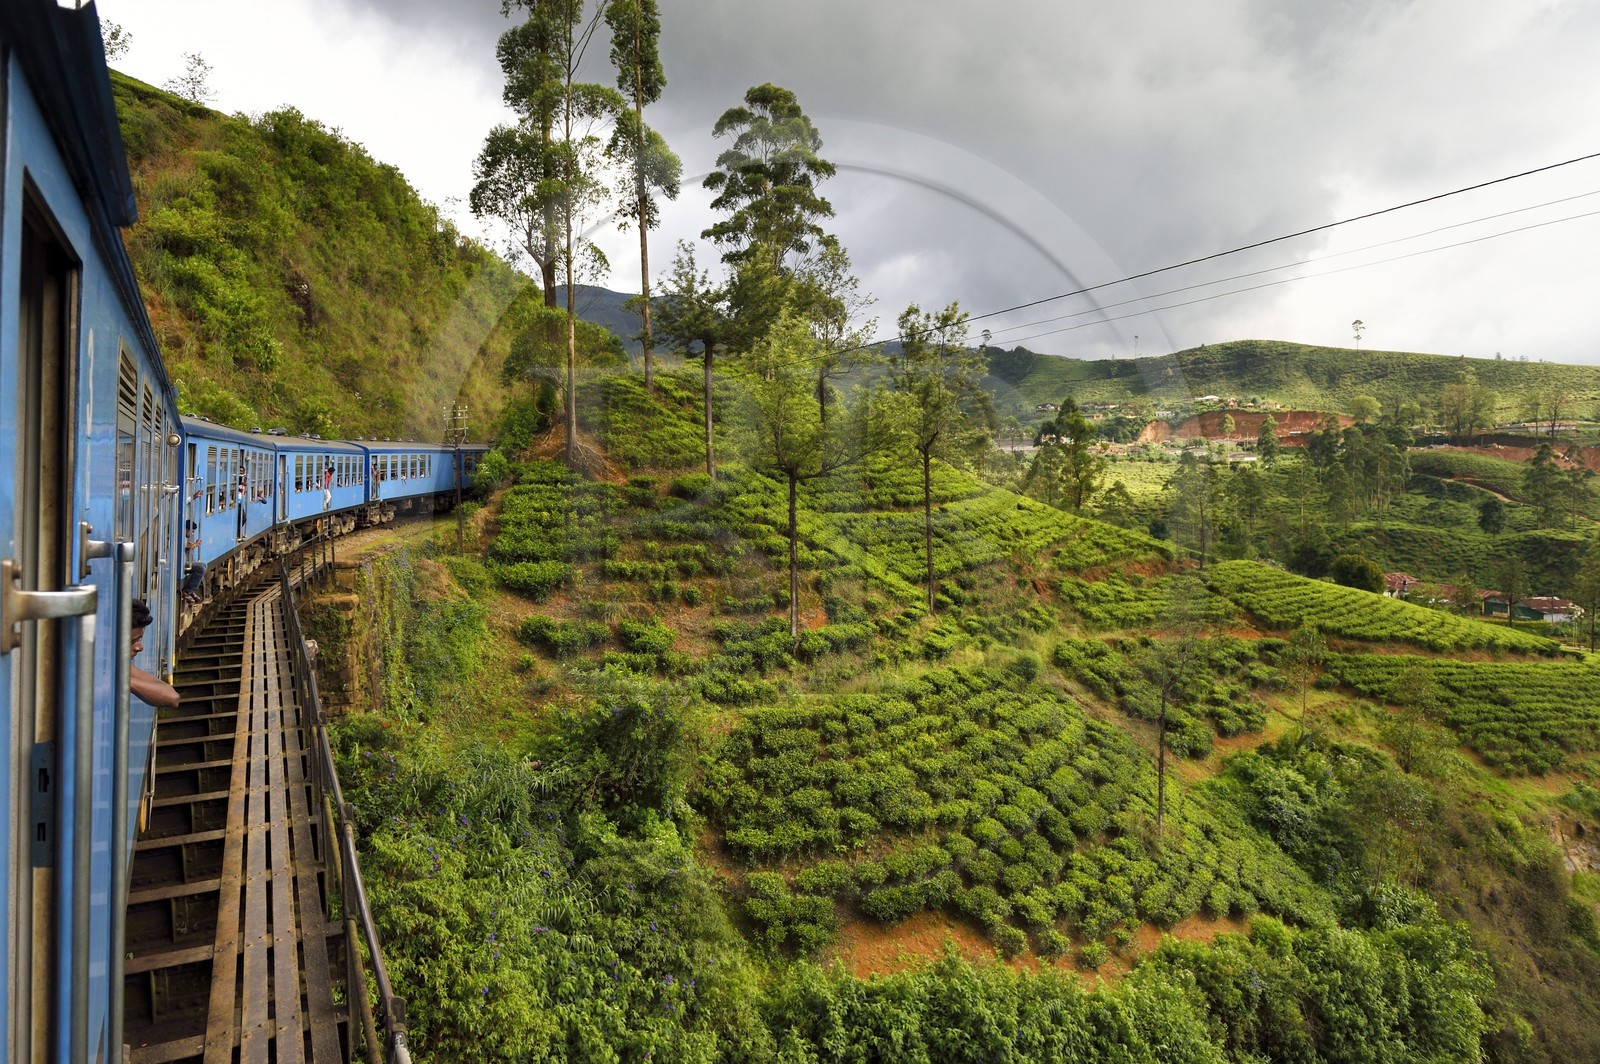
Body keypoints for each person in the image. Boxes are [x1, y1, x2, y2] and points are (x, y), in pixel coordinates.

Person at [130, 600, 179, 709]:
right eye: (132, 642)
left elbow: (172, 697)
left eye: (140, 639)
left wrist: (124, 681)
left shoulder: (120, 667)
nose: (140, 648)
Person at [181, 521, 205, 604]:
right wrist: (196, 545)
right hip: (180, 564)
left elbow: (189, 546)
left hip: (183, 562)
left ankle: (192, 590)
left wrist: (195, 544)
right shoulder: (180, 535)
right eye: (192, 531)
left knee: (203, 565)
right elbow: (188, 546)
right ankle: (188, 591)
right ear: (187, 529)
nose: (192, 534)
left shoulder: (183, 536)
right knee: (200, 568)